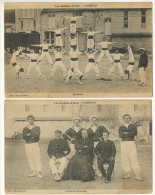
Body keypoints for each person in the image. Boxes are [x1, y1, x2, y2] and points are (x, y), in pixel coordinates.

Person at [118, 114, 143, 181]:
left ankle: (137, 174)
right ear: (123, 119)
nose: (126, 119)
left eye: (127, 118)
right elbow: (121, 135)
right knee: (125, 158)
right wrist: (128, 133)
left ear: (130, 119)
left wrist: (126, 133)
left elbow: (133, 133)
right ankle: (127, 173)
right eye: (125, 118)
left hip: (131, 143)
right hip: (123, 143)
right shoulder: (121, 127)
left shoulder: (133, 126)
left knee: (133, 157)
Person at [22, 115, 44, 179]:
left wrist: (28, 135)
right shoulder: (25, 128)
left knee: (37, 158)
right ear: (27, 120)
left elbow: (37, 135)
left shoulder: (37, 127)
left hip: (35, 144)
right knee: (30, 158)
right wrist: (31, 135)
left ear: (34, 120)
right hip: (27, 144)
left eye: (32, 119)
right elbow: (23, 136)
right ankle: (33, 172)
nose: (31, 120)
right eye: (29, 119)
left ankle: (39, 172)